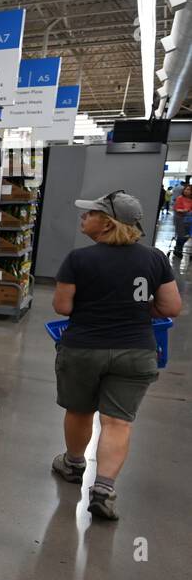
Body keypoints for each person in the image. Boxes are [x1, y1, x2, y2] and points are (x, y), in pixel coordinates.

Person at [51, 191, 181, 520]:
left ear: (107, 223)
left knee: (80, 410)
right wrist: (136, 309)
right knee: (118, 421)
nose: (84, 217)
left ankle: (73, 464)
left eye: (91, 214)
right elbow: (171, 307)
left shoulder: (78, 260)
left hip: (84, 348)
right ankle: (104, 489)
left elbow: (62, 307)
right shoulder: (155, 259)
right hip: (136, 351)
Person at [173, 184, 192, 257]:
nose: (186, 191)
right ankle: (178, 250)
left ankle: (178, 248)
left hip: (189, 220)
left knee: (186, 236)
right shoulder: (180, 198)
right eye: (186, 189)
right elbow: (177, 208)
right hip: (180, 219)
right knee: (181, 236)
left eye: (189, 190)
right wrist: (184, 210)